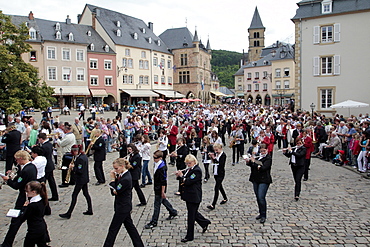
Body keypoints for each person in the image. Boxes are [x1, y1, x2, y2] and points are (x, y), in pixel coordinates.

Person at [103, 158, 144, 247]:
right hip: (123, 206)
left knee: (113, 229)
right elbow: (114, 192)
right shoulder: (121, 175)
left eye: (116, 168)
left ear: (122, 167)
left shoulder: (126, 178)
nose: (115, 171)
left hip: (122, 207)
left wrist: (112, 180)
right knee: (130, 227)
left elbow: (116, 191)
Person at [0, 150, 37, 247]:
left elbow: (17, 185)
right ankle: (44, 237)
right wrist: (13, 176)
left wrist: (8, 181)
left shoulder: (26, 170)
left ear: (21, 159)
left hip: (24, 197)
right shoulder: (31, 167)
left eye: (17, 160)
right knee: (35, 219)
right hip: (31, 196)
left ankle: (7, 243)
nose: (16, 162)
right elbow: (20, 178)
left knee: (15, 221)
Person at [175, 154, 211, 243]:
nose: (188, 165)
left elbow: (188, 181)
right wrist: (179, 176)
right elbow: (183, 179)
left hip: (194, 196)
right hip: (188, 195)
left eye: (189, 163)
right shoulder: (189, 169)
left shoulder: (197, 171)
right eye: (187, 163)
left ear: (194, 162)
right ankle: (204, 222)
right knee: (193, 212)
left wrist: (182, 176)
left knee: (191, 216)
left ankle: (189, 236)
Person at [144, 151, 178, 229]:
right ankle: (173, 211)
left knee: (157, 204)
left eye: (155, 158)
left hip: (160, 188)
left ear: (160, 158)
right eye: (153, 157)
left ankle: (154, 221)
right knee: (162, 200)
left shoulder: (162, 167)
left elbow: (163, 180)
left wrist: (163, 191)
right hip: (156, 186)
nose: (154, 159)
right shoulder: (156, 164)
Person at [59, 145, 93, 219]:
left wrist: (73, 168)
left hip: (81, 179)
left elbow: (79, 170)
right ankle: (90, 209)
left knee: (74, 195)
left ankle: (69, 213)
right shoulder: (83, 156)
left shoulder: (80, 159)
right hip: (85, 178)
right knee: (86, 194)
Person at [244, 143, 272, 224]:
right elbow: (253, 166)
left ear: (267, 150)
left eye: (264, 151)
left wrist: (254, 162)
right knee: (257, 197)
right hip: (255, 178)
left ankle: (263, 215)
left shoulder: (268, 158)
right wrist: (248, 162)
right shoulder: (258, 157)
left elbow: (263, 167)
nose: (263, 152)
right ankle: (260, 212)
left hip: (264, 180)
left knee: (261, 197)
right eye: (261, 151)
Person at [20, 181, 49, 247]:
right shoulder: (42, 199)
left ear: (33, 192)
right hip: (42, 227)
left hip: (34, 230)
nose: (26, 193)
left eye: (27, 191)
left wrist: (24, 207)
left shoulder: (32, 205)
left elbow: (22, 218)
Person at [38, 133, 59, 201]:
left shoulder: (44, 146)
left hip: (46, 166)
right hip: (50, 164)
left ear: (41, 139)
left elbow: (41, 154)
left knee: (43, 182)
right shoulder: (49, 144)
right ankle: (55, 195)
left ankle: (41, 196)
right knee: (51, 181)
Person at [207, 143, 228, 210]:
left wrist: (214, 158)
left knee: (216, 188)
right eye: (215, 150)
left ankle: (213, 204)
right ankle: (225, 198)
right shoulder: (216, 154)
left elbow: (221, 165)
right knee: (220, 186)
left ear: (220, 148)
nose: (216, 151)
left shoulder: (223, 155)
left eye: (217, 150)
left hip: (220, 173)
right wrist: (212, 158)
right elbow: (214, 162)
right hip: (216, 172)